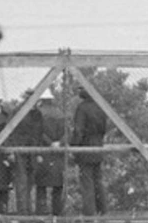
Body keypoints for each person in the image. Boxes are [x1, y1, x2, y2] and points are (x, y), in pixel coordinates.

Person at [71, 85, 107, 215]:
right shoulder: (100, 107)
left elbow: (78, 131)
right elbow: (104, 129)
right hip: (98, 145)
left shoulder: (82, 108)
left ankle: (89, 214)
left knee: (87, 183)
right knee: (98, 180)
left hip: (85, 147)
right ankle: (103, 211)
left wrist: (74, 147)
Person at [11, 89, 45, 214]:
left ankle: (28, 211)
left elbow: (40, 133)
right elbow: (10, 132)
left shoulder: (38, 114)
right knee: (22, 182)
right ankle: (23, 212)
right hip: (20, 150)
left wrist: (39, 152)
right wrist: (12, 151)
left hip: (33, 151)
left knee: (30, 182)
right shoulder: (17, 111)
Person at [35, 89, 65, 215]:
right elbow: (66, 133)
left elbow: (38, 133)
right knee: (57, 186)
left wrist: (49, 143)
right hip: (57, 154)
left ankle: (41, 213)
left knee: (41, 186)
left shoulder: (38, 114)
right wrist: (59, 143)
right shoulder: (59, 113)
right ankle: (57, 214)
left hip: (43, 153)